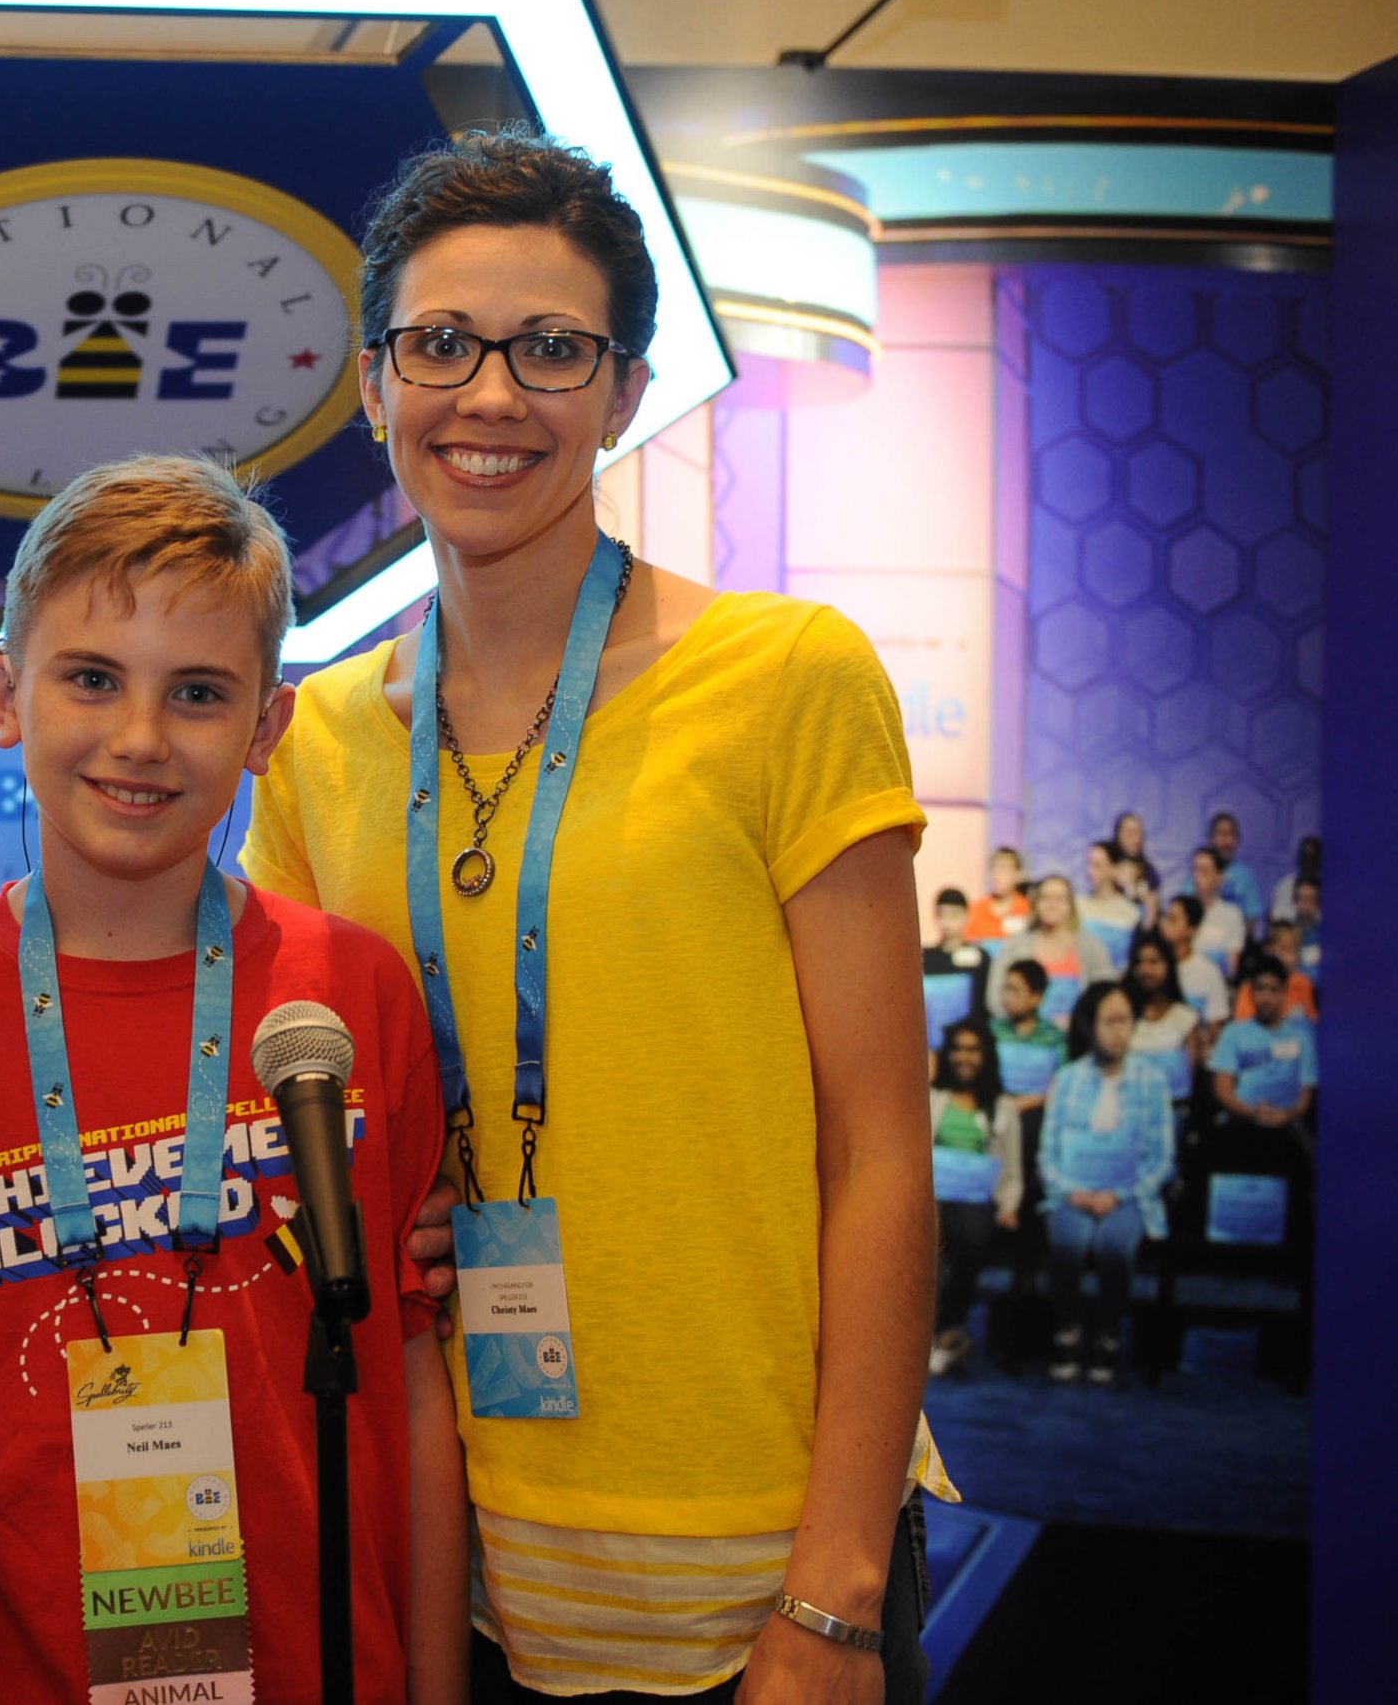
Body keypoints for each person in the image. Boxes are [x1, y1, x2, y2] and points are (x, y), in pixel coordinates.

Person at [242, 127, 943, 1705]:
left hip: (759, 1551)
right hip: (457, 1549)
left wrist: (832, 1590)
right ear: (372, 382)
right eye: (442, 345)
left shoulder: (786, 678)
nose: (491, 397)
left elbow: (881, 1154)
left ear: (625, 391)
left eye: (552, 350)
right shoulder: (325, 734)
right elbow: (308, 1133)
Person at [0, 456, 464, 1704]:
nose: (141, 738)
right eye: (92, 678)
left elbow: (414, 1379)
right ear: (5, 692)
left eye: (200, 692)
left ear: (269, 727)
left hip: (322, 1664)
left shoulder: (351, 996)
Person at [1036, 984, 1176, 1386]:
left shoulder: (1153, 1081)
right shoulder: (1067, 1079)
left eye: (1125, 1021)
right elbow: (1048, 1153)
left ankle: (1108, 1334)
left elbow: (1161, 1157)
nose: (1118, 1031)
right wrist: (1069, 1191)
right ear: (1089, 1025)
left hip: (1128, 1195)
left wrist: (1120, 1195)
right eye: (1109, 1021)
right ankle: (1068, 1330)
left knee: (1114, 1247)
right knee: (1068, 1244)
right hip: (1072, 1193)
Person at [926, 1020, 1022, 1378]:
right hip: (934, 1195)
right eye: (958, 1048)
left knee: (971, 1234)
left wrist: (1009, 1206)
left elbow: (1011, 1168)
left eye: (973, 1049)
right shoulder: (933, 1098)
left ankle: (951, 1331)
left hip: (978, 1199)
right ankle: (927, 1336)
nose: (964, 1056)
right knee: (928, 1239)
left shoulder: (1003, 1107)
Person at [982, 876, 1114, 1030]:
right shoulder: (1015, 947)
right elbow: (995, 996)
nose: (1052, 905)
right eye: (1045, 898)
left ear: (1071, 906)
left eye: (1059, 899)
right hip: (1025, 1040)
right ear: (1035, 904)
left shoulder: (1091, 948)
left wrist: (1079, 1024)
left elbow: (1106, 996)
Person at [1212, 955, 1318, 1134]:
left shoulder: (1302, 1037)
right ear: (1252, 992)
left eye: (1273, 990)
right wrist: (1251, 1113)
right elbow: (1223, 1089)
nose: (1266, 997)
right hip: (1243, 1122)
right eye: (1260, 989)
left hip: (1289, 1123)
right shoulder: (1233, 1033)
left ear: (1284, 993)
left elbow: (1306, 1093)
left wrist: (1286, 1115)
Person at [1122, 930, 1207, 1111]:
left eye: (1154, 962)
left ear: (1168, 965)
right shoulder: (1124, 1017)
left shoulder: (1185, 1018)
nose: (1145, 970)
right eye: (1140, 963)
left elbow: (1189, 1081)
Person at [989, 960, 1066, 1113]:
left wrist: (1032, 1102)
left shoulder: (1055, 1037)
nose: (1006, 997)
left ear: (1036, 997)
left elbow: (1062, 1084)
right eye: (1005, 989)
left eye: (1014, 990)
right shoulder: (993, 1031)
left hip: (1041, 1114)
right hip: (998, 1112)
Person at [921, 890, 987, 1054]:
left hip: (966, 1047)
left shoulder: (980, 958)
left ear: (967, 916)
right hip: (929, 1045)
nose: (947, 922)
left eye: (954, 915)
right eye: (942, 915)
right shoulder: (923, 957)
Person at [1159, 894, 1233, 1025]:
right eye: (1165, 917)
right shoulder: (1153, 968)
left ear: (1192, 930)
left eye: (1172, 919)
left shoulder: (1208, 972)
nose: (1164, 924)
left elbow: (1216, 1025)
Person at [1234, 922, 1319, 1023]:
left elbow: (1311, 1023)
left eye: (1295, 951)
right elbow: (1243, 1029)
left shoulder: (1303, 983)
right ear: (1269, 950)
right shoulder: (1250, 987)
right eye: (1284, 950)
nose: (1290, 958)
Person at [1185, 851, 1249, 980]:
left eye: (1204, 871)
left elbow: (1232, 967)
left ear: (1219, 877)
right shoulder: (1182, 910)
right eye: (1195, 870)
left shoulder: (1232, 915)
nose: (1198, 877)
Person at [1079, 841, 1143, 970]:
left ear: (1114, 868)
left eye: (1097, 865)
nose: (1090, 871)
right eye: (1088, 864)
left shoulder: (1131, 911)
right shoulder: (1078, 905)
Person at [1198, 812, 1266, 930]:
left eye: (1231, 835)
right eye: (1221, 834)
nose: (1227, 841)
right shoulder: (1199, 870)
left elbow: (1252, 917)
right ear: (1211, 838)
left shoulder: (1245, 875)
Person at [963, 847, 1030, 944]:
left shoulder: (1027, 909)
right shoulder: (976, 909)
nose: (997, 875)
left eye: (1004, 869)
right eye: (994, 869)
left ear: (1018, 874)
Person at [1111, 810, 1161, 902]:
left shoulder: (1150, 872)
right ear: (1118, 835)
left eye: (1140, 833)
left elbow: (1153, 908)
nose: (1137, 839)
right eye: (1131, 833)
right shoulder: (1109, 868)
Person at [1274, 837, 1322, 926]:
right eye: (1306, 859)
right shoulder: (1286, 885)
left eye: (1312, 860)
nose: (1308, 865)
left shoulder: (1330, 887)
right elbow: (1279, 918)